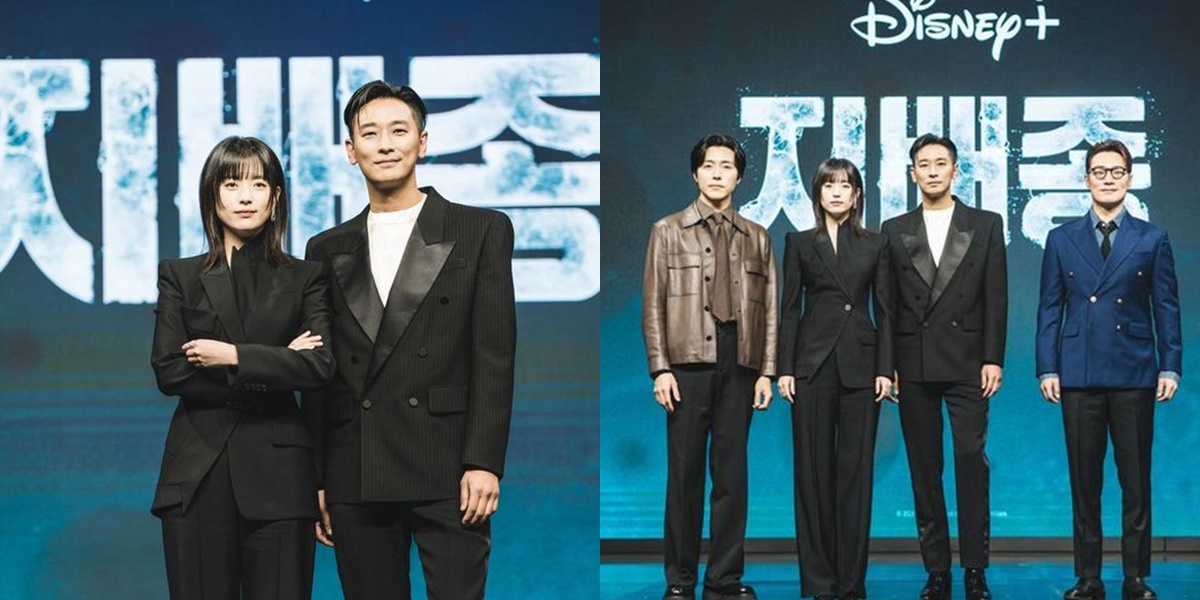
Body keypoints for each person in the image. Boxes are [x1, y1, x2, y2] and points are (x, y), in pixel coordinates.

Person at [303, 80, 516, 600]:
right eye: (369, 133)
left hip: (447, 464)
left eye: (399, 130)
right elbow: (321, 371)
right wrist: (320, 479)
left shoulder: (480, 229)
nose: (385, 143)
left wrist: (484, 461)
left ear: (422, 141)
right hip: (357, 466)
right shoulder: (326, 247)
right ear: (351, 152)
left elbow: (494, 355)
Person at [150, 136, 335, 599]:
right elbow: (171, 371)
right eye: (232, 183)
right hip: (197, 473)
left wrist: (232, 356)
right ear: (213, 195)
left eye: (259, 183)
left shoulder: (305, 276)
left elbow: (318, 366)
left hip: (280, 475)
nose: (246, 195)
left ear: (275, 198)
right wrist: (277, 363)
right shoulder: (181, 274)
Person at [1036, 139, 1181, 600]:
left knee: (1135, 479)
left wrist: (1171, 365)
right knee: (1085, 481)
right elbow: (1049, 308)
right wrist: (1046, 368)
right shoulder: (1061, 239)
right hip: (1077, 374)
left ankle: (1136, 576)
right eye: (1099, 171)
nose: (1108, 178)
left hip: (1135, 370)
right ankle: (1088, 576)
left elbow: (1167, 307)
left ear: (1129, 178)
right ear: (1086, 179)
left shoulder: (1152, 237)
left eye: (1116, 171)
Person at [643, 133, 776, 600]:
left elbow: (771, 308)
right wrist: (660, 369)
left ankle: (724, 579)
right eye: (709, 165)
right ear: (695, 173)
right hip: (686, 365)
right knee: (684, 477)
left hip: (739, 362)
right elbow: (653, 305)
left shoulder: (758, 237)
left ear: (739, 177)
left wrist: (767, 372)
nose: (717, 173)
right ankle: (679, 581)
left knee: (732, 477)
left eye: (727, 166)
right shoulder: (667, 230)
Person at [880, 133, 1007, 600]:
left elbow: (997, 297)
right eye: (923, 164)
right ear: (912, 173)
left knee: (971, 461)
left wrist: (993, 357)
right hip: (912, 362)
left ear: (956, 171)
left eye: (940, 163)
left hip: (969, 362)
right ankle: (937, 569)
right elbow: (888, 306)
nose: (932, 171)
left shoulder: (986, 223)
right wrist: (888, 363)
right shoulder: (893, 229)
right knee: (924, 467)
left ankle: (976, 568)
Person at [777, 158, 894, 600]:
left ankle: (851, 583)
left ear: (858, 194)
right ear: (817, 193)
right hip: (811, 365)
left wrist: (886, 368)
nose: (838, 192)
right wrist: (784, 368)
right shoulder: (799, 242)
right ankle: (820, 582)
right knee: (812, 473)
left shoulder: (876, 244)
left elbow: (885, 309)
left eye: (846, 185)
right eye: (829, 185)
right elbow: (790, 309)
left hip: (863, 367)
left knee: (855, 475)